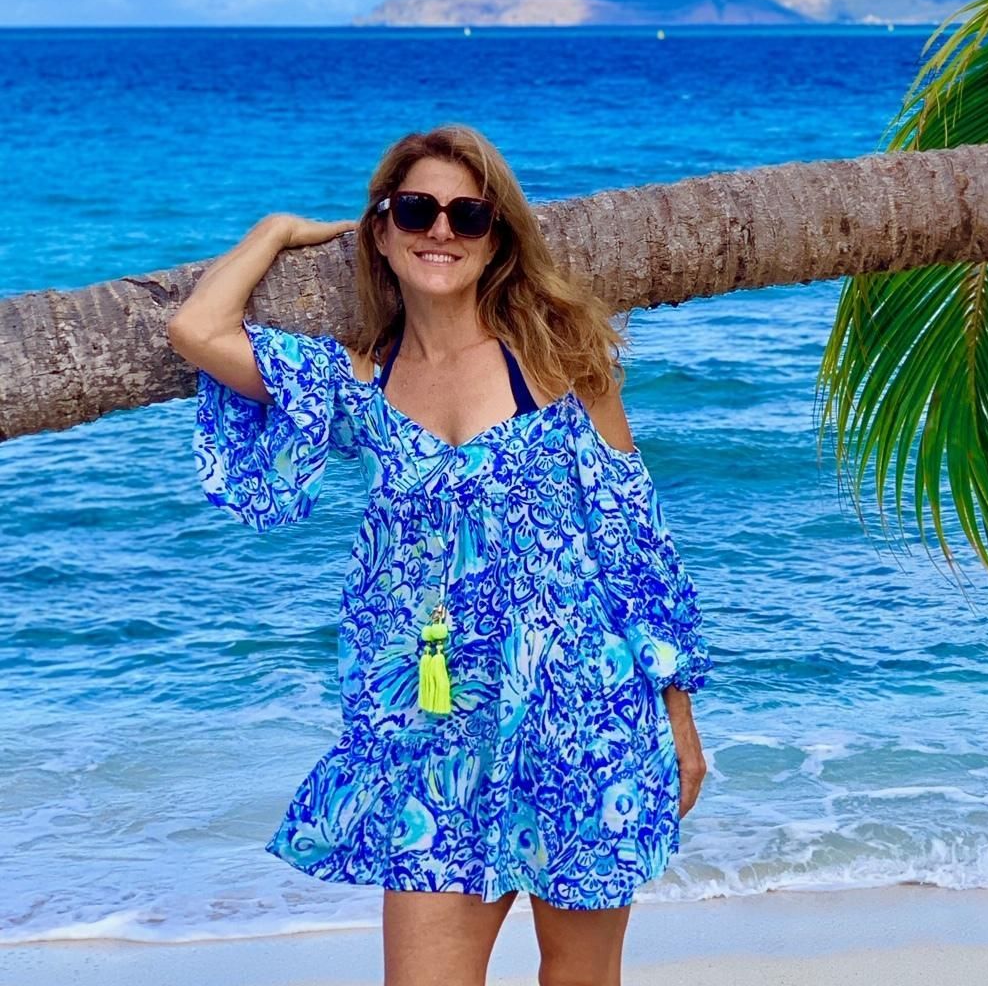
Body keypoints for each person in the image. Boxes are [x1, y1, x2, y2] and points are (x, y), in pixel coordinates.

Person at [166, 124, 712, 986]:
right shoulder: (358, 383)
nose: (442, 232)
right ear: (382, 229)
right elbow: (197, 329)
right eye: (417, 209)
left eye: (469, 216)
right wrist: (273, 232)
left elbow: (636, 542)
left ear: (497, 240)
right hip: (435, 734)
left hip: (584, 717)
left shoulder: (560, 363)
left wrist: (680, 719)